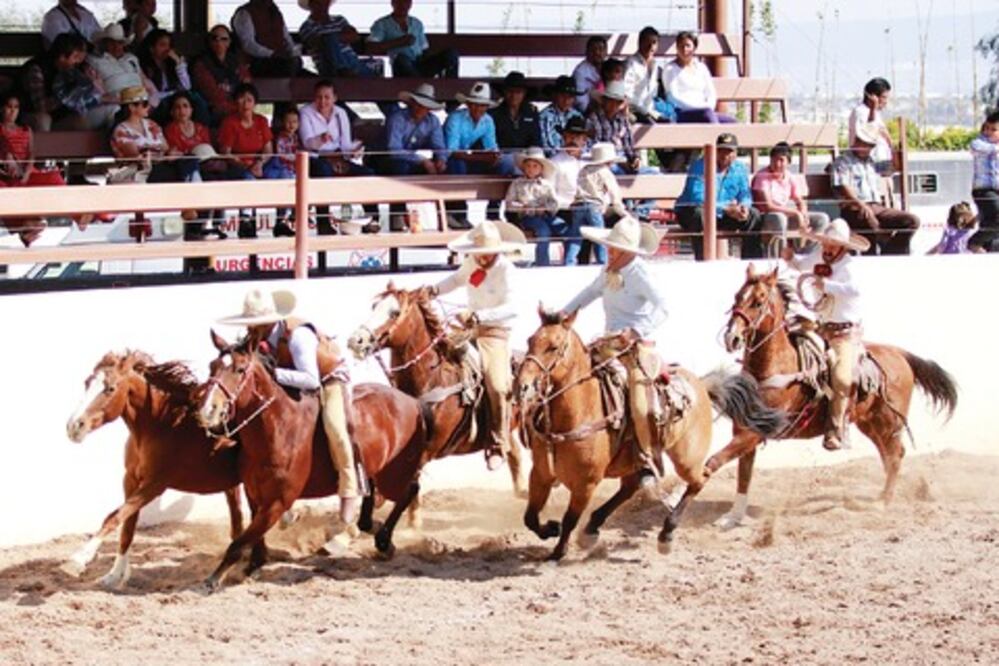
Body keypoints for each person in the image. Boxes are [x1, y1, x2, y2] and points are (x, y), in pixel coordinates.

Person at [218, 289, 363, 556]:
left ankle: (350, 493)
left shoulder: (298, 337)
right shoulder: (255, 338)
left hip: (328, 379)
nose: (250, 328)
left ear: (269, 321)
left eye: (254, 323)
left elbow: (311, 379)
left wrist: (271, 374)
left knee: (336, 429)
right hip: (288, 382)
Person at [559, 215, 666, 495]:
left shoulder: (641, 274)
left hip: (637, 347)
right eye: (609, 247)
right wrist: (563, 313)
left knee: (641, 404)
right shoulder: (608, 270)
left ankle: (645, 460)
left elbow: (663, 307)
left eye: (615, 249)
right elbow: (589, 293)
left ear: (629, 252)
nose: (610, 252)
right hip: (608, 343)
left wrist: (636, 331)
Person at [423, 220, 527, 470]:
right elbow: (457, 279)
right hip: (468, 329)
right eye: (477, 253)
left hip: (495, 333)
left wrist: (479, 316)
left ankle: (498, 442)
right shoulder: (471, 263)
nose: (480, 258)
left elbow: (512, 307)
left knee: (498, 385)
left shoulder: (507, 271)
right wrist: (434, 290)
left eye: (484, 254)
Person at [782, 219, 871, 451]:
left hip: (844, 333)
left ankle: (836, 428)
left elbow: (856, 289)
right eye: (826, 244)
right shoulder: (819, 257)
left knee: (842, 378)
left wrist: (827, 286)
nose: (827, 249)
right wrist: (791, 258)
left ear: (843, 247)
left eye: (833, 245)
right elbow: (802, 266)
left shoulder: (850, 266)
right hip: (820, 326)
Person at [298, 79, 378, 234]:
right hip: (316, 157)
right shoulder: (306, 113)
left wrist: (355, 149)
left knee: (367, 174)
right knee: (323, 172)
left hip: (339, 158)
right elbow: (307, 143)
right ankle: (323, 222)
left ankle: (372, 219)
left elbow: (346, 144)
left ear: (334, 98)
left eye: (327, 97)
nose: (323, 101)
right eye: (319, 97)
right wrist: (321, 139)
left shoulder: (341, 113)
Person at [832, 122, 920, 255]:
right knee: (869, 220)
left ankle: (892, 252)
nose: (866, 148)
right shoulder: (842, 161)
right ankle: (881, 250)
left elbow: (896, 167)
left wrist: (890, 144)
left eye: (869, 145)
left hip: (877, 206)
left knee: (911, 221)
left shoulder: (872, 162)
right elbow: (842, 186)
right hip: (854, 208)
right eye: (863, 143)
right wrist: (861, 205)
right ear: (856, 142)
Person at [676, 132, 762, 260]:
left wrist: (744, 207)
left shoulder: (740, 168)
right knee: (699, 214)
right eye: (721, 150)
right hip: (692, 212)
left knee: (753, 215)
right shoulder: (699, 166)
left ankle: (751, 264)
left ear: (736, 153)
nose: (725, 155)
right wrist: (726, 208)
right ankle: (704, 262)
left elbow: (745, 193)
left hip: (723, 214)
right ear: (715, 151)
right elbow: (697, 197)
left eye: (729, 151)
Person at [375, 83, 447, 231]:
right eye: (418, 104)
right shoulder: (397, 118)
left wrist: (441, 159)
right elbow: (393, 150)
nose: (420, 108)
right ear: (411, 103)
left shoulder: (432, 121)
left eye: (424, 105)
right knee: (399, 167)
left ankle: (446, 217)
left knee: (447, 170)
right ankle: (398, 214)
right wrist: (423, 160)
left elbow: (439, 145)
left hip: (408, 161)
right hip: (382, 160)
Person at [444, 82, 516, 228]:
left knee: (507, 162)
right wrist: (483, 157)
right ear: (468, 104)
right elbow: (451, 151)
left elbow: (491, 146)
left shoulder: (488, 120)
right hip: (450, 161)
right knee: (457, 164)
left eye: (482, 105)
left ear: (487, 107)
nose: (478, 108)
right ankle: (457, 213)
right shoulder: (455, 118)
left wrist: (494, 157)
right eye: (475, 104)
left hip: (469, 160)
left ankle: (493, 211)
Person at [752, 142, 830, 257]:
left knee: (821, 219)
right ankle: (781, 257)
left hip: (786, 215)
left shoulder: (789, 176)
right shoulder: (762, 177)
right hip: (766, 217)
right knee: (780, 218)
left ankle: (807, 255)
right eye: (774, 160)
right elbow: (768, 206)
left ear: (788, 162)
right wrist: (795, 213)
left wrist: (803, 214)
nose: (777, 164)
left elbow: (799, 200)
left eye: (781, 160)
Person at [217, 83, 273, 238]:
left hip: (259, 162)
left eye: (249, 100)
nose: (245, 104)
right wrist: (245, 165)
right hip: (236, 165)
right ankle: (246, 219)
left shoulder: (261, 121)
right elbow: (226, 153)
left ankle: (283, 220)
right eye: (241, 100)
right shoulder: (230, 123)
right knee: (248, 177)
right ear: (236, 103)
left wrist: (260, 163)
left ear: (255, 103)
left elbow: (269, 150)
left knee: (281, 173)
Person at [505, 147, 567, 266]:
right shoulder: (517, 183)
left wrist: (546, 208)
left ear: (541, 168)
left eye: (535, 166)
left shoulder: (546, 184)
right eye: (528, 166)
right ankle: (542, 263)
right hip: (528, 217)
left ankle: (569, 262)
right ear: (523, 168)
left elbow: (554, 202)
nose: (531, 169)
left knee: (564, 228)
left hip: (546, 216)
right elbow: (509, 203)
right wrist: (522, 207)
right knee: (543, 231)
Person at [368, 0, 459, 78]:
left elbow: (425, 50)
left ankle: (452, 88)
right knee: (401, 59)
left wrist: (435, 65)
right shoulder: (382, 23)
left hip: (420, 63)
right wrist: (399, 42)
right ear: (393, 3)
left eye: (406, 1)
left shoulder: (417, 23)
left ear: (411, 4)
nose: (403, 5)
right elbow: (371, 47)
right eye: (399, 2)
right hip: (402, 65)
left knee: (451, 54)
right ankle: (419, 84)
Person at [571, 142, 629, 265]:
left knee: (576, 237)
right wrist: (623, 212)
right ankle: (603, 262)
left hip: (578, 204)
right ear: (609, 161)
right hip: (594, 206)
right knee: (599, 237)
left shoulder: (584, 170)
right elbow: (614, 194)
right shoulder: (605, 172)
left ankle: (568, 261)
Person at [660, 30, 735, 124]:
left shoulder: (701, 68)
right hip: (681, 112)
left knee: (731, 122)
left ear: (694, 48)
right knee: (707, 115)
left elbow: (711, 92)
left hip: (704, 110)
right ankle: (714, 138)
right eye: (681, 46)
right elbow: (673, 97)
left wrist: (708, 106)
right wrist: (699, 108)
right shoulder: (670, 69)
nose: (684, 49)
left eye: (688, 45)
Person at [138, 29, 208, 126]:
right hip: (158, 103)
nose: (167, 49)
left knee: (197, 99)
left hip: (175, 97)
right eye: (162, 45)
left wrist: (178, 63)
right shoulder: (144, 67)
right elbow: (153, 95)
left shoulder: (171, 64)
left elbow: (187, 86)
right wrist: (172, 93)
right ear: (152, 48)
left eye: (169, 45)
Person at [190, 25, 252, 127]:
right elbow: (212, 93)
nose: (219, 42)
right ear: (209, 41)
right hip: (212, 109)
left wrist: (244, 106)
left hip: (237, 105)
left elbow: (247, 85)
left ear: (229, 42)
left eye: (224, 39)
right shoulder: (201, 63)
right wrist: (237, 108)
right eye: (215, 38)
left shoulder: (237, 61)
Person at [88, 23, 159, 111]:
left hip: (141, 101)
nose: (116, 46)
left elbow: (146, 83)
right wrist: (124, 101)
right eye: (111, 42)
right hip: (116, 104)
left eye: (119, 43)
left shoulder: (132, 59)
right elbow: (99, 92)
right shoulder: (95, 61)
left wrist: (152, 101)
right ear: (104, 43)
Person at [299, 0, 378, 78]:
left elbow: (354, 36)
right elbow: (317, 43)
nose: (324, 4)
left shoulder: (339, 19)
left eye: (326, 1)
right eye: (319, 2)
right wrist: (337, 38)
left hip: (351, 60)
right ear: (311, 4)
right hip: (327, 64)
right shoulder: (306, 26)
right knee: (328, 41)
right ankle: (341, 68)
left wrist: (333, 38)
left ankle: (343, 69)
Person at [230, 0, 301, 77]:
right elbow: (248, 44)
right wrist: (272, 54)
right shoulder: (244, 14)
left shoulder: (275, 12)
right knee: (285, 67)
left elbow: (286, 37)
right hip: (257, 62)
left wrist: (292, 51)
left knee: (298, 67)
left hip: (280, 61)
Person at [585, 80, 640, 173]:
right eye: (610, 101)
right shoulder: (594, 119)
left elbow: (628, 145)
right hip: (604, 163)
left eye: (617, 103)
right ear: (604, 101)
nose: (614, 106)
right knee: (615, 170)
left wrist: (635, 158)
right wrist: (616, 161)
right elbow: (593, 148)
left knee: (653, 172)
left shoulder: (622, 120)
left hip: (623, 160)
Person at [263, 106, 301, 237]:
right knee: (286, 189)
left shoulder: (298, 138)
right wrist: (297, 158)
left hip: (296, 170)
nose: (291, 125)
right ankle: (282, 220)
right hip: (283, 169)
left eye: (295, 122)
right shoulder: (280, 138)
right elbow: (280, 154)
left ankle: (296, 214)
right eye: (289, 122)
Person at [847, 78, 894, 174]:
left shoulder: (875, 113)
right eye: (884, 97)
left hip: (882, 159)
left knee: (888, 185)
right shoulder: (860, 112)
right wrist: (873, 108)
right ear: (873, 96)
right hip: (870, 162)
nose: (886, 101)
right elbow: (867, 133)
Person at [622, 26, 668, 123]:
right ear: (639, 42)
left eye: (654, 42)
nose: (650, 46)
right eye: (647, 41)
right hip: (634, 111)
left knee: (671, 124)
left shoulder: (656, 65)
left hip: (652, 110)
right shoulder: (630, 63)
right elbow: (627, 95)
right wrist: (646, 111)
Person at [968, 110, 999, 253]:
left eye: (994, 129)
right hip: (984, 190)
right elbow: (977, 148)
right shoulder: (979, 142)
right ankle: (974, 242)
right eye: (987, 128)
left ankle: (986, 249)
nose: (989, 132)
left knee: (989, 221)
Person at [550, 116, 588, 231]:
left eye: (577, 137)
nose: (572, 141)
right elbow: (550, 193)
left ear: (584, 140)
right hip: (565, 209)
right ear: (564, 138)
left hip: (590, 208)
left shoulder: (591, 161)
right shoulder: (555, 162)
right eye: (569, 137)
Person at [490, 71, 540, 153]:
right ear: (504, 92)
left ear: (524, 93)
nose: (514, 96)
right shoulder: (493, 114)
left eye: (518, 92)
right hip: (501, 158)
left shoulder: (531, 112)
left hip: (526, 158)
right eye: (510, 91)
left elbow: (536, 140)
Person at [538, 76, 583, 156]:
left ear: (574, 99)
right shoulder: (545, 116)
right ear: (555, 95)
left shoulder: (578, 115)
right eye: (563, 96)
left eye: (570, 97)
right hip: (553, 161)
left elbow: (585, 142)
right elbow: (547, 147)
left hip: (576, 159)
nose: (566, 100)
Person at [572, 35, 607, 112]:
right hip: (587, 113)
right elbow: (581, 102)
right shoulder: (580, 72)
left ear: (606, 52)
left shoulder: (609, 67)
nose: (597, 53)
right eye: (593, 49)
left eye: (601, 49)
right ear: (586, 52)